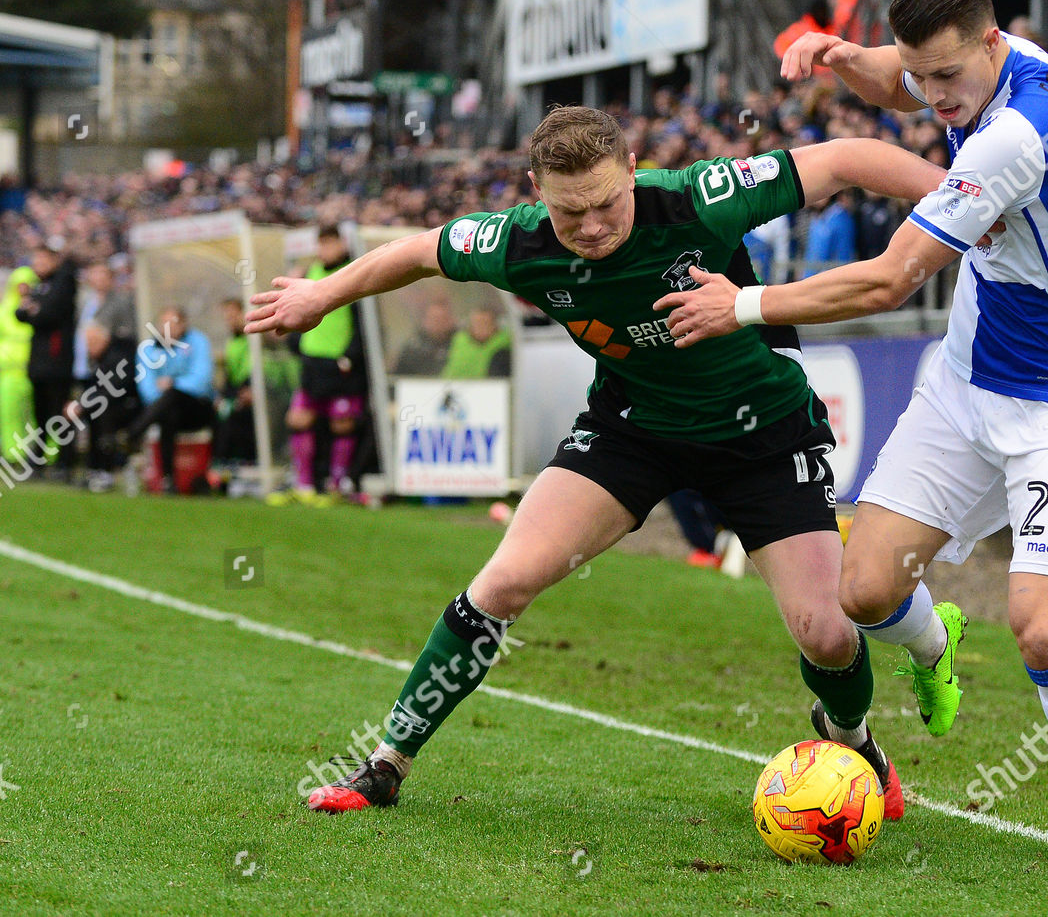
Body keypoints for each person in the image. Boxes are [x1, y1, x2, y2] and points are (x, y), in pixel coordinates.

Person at [246, 105, 945, 818]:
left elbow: (847, 156)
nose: (591, 227)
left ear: (633, 173)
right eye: (568, 212)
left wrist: (958, 194)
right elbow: (420, 249)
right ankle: (384, 766)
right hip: (631, 430)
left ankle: (852, 740)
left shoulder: (699, 198)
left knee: (827, 634)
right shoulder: (515, 243)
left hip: (763, 436)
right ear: (535, 190)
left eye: (607, 203)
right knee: (504, 581)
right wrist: (321, 294)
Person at [675, 0, 1048, 868]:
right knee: (864, 592)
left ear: (993, 45)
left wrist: (741, 305)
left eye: (947, 80)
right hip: (965, 385)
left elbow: (892, 277)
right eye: (922, 78)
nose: (934, 99)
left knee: (1044, 627)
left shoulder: (1016, 135)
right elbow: (902, 78)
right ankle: (936, 646)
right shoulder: (988, 66)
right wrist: (850, 58)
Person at [272, 224, 368, 504]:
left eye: (330, 243)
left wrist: (349, 356)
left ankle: (337, 485)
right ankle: (304, 484)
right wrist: (295, 345)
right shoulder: (310, 274)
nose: (325, 249)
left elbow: (363, 320)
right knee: (299, 419)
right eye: (321, 243)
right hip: (312, 364)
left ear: (342, 244)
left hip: (340, 366)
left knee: (342, 423)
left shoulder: (353, 272)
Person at [122, 306, 215, 494]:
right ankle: (168, 481)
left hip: (198, 408)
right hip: (167, 412)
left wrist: (174, 383)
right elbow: (147, 389)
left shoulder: (198, 342)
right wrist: (167, 395)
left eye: (172, 323)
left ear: (183, 325)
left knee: (173, 395)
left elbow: (202, 381)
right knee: (168, 412)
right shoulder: (148, 349)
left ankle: (133, 434)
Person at [15, 241, 77, 479]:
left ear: (53, 261)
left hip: (57, 361)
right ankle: (38, 461)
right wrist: (32, 307)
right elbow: (21, 313)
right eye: (35, 261)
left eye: (42, 260)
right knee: (40, 413)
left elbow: (46, 314)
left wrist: (32, 307)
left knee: (60, 411)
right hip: (39, 362)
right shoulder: (40, 286)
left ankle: (65, 462)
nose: (37, 265)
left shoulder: (63, 281)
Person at [68, 322, 138, 492]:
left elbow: (115, 388)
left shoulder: (118, 356)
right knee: (88, 414)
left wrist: (83, 405)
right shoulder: (100, 359)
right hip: (108, 404)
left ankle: (106, 470)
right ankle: (90, 468)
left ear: (103, 339)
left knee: (102, 413)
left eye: (92, 343)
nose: (89, 348)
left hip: (129, 406)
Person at [214, 297, 257, 468]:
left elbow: (259, 368)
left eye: (233, 315)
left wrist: (251, 390)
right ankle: (223, 466)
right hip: (238, 392)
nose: (230, 321)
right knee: (221, 414)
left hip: (259, 392)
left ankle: (249, 462)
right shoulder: (232, 342)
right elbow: (231, 376)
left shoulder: (256, 339)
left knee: (239, 417)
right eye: (227, 317)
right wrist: (222, 396)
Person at [0, 266, 36, 464]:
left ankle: (46, 454)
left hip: (33, 370)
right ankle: (13, 455)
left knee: (36, 415)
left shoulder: (37, 309)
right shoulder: (5, 310)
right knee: (10, 415)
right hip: (9, 372)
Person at [440, 306, 511, 379]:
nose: (480, 327)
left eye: (485, 323)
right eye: (477, 323)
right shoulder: (458, 342)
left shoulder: (503, 347)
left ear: (494, 325)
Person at [394, 300, 456, 375]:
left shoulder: (461, 344)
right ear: (425, 321)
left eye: (443, 319)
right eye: (435, 319)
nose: (438, 323)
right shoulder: (413, 349)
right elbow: (398, 377)